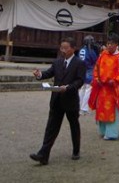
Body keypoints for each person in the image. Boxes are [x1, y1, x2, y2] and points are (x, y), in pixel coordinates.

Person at [30, 37, 86, 165]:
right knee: (51, 128)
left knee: (74, 126)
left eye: (66, 48)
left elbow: (80, 81)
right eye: (62, 48)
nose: (64, 50)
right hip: (56, 100)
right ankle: (43, 154)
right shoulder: (57, 62)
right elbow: (48, 73)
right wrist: (39, 75)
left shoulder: (79, 63)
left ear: (73, 48)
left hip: (70, 100)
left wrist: (68, 88)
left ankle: (76, 150)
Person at [88, 32, 119, 140]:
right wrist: (97, 78)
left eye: (111, 43)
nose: (109, 45)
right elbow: (96, 68)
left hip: (113, 89)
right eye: (108, 43)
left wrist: (115, 81)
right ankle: (103, 131)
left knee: (112, 110)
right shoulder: (102, 54)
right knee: (101, 109)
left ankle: (112, 133)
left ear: (116, 45)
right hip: (102, 88)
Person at [76, 35, 99, 115]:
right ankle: (84, 108)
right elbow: (96, 61)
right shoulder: (91, 51)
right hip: (89, 71)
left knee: (82, 89)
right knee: (88, 89)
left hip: (81, 71)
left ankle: (78, 107)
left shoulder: (81, 50)